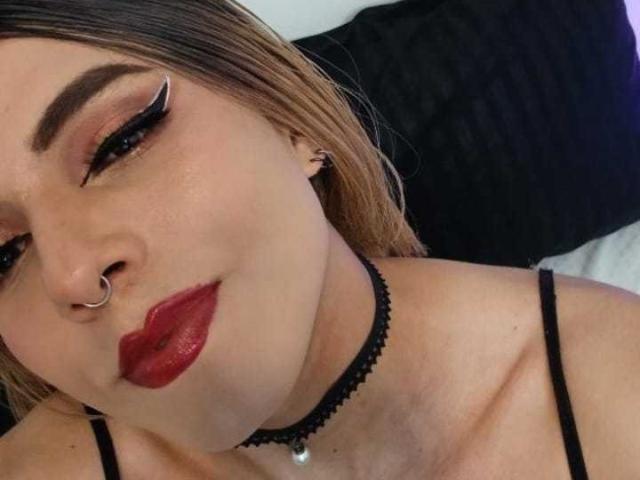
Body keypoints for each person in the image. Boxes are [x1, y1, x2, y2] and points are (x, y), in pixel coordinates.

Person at [0, 1, 639, 479]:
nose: (72, 275)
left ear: (287, 119)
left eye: (122, 141)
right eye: (3, 255)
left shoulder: (616, 386)